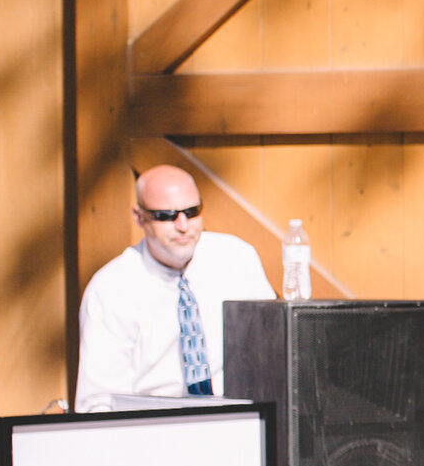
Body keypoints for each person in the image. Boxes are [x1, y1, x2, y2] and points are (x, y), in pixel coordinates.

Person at [73, 164, 275, 413]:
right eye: (166, 215)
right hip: (150, 428)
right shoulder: (111, 289)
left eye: (192, 212)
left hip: (237, 418)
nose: (183, 225)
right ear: (139, 217)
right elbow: (98, 401)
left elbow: (273, 352)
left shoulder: (237, 259)